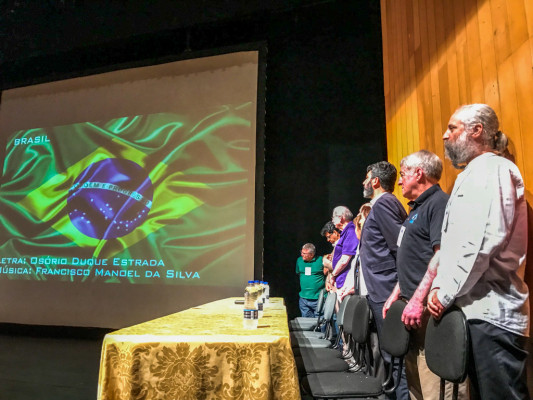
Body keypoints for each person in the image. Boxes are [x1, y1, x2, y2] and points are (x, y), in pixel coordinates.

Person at [427, 104, 530, 399]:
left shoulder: (493, 169)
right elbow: (453, 245)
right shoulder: (472, 173)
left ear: (477, 130)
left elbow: (482, 241)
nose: (445, 135)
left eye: (452, 128)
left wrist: (445, 292)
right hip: (473, 312)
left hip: (493, 313)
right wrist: (438, 286)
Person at [383, 150, 467, 399]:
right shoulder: (416, 209)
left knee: (436, 389)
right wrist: (396, 293)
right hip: (412, 309)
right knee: (416, 387)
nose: (399, 181)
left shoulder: (438, 203)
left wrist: (418, 300)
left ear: (419, 173)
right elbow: (411, 260)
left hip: (429, 311)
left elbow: (443, 255)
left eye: (403, 174)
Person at [359, 161, 408, 400]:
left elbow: (401, 247)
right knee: (390, 354)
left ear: (375, 181)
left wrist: (397, 288)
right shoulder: (379, 205)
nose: (364, 182)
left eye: (366, 178)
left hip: (387, 289)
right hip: (381, 289)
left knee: (396, 357)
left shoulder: (384, 203)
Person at [330, 206, 359, 293]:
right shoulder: (345, 232)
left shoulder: (351, 231)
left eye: (333, 218)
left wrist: (333, 275)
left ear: (341, 218)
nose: (332, 220)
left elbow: (345, 260)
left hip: (346, 281)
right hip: (341, 279)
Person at [295, 243, 325, 317]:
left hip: (318, 298)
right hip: (303, 298)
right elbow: (298, 273)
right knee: (307, 321)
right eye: (301, 252)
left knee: (320, 321)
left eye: (304, 253)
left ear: (312, 254)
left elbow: (329, 273)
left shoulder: (321, 260)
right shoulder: (299, 260)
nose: (302, 255)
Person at [320, 221, 341, 292]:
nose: (328, 240)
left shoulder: (342, 246)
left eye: (329, 237)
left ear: (335, 232)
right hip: (333, 286)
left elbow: (336, 267)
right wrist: (327, 281)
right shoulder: (335, 247)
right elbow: (325, 271)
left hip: (340, 286)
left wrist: (325, 261)